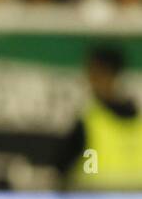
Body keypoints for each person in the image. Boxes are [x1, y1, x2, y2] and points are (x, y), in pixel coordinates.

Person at [59, 45, 142, 190]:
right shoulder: (87, 122)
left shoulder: (89, 122)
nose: (91, 81)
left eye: (95, 74)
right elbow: (62, 169)